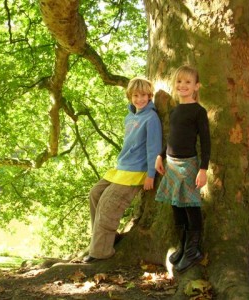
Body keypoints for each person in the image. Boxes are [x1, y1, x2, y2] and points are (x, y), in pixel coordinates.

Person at [83, 77, 162, 263]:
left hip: (136, 172)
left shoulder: (151, 118)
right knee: (95, 194)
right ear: (130, 96)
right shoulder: (130, 117)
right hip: (121, 169)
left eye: (144, 95)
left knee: (108, 205)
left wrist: (151, 175)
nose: (140, 99)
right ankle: (104, 240)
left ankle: (101, 252)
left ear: (150, 96)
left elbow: (154, 148)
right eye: (136, 95)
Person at [155, 65, 211, 273]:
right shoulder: (175, 110)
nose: (183, 85)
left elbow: (205, 143)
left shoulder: (199, 111)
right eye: (179, 81)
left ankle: (193, 251)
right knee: (176, 206)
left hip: (188, 165)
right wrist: (160, 155)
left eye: (188, 82)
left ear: (196, 86)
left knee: (190, 206)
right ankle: (183, 245)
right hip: (171, 164)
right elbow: (171, 138)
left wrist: (203, 169)